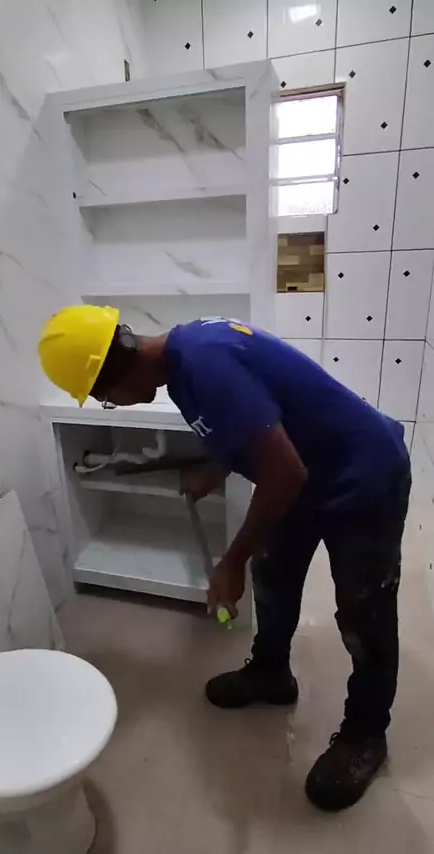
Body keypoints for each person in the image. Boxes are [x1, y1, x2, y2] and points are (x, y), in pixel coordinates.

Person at [38, 306, 411, 812]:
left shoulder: (204, 363)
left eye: (104, 396)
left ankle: (366, 733)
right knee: (273, 572)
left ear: (116, 369)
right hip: (308, 470)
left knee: (364, 614)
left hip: (363, 474)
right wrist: (217, 469)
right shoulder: (181, 363)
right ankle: (271, 672)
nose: (112, 405)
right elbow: (247, 423)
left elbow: (284, 474)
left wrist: (231, 560)